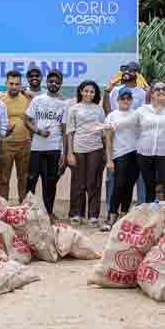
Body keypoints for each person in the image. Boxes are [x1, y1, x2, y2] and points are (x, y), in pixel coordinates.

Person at [104, 61, 148, 206]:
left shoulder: (142, 93)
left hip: (135, 144)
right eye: (125, 69)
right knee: (113, 179)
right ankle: (111, 208)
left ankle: (140, 208)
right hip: (116, 143)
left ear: (137, 73)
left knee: (134, 179)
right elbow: (109, 110)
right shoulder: (116, 90)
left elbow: (144, 116)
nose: (128, 72)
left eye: (132, 70)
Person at [25, 70, 69, 216]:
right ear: (47, 82)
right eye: (51, 81)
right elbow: (26, 120)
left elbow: (64, 131)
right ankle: (27, 212)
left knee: (50, 182)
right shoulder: (38, 99)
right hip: (37, 148)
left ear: (61, 84)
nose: (54, 84)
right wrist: (38, 131)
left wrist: (64, 153)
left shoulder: (64, 103)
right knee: (31, 180)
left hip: (54, 148)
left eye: (57, 82)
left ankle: (48, 213)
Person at [65, 81, 106, 227]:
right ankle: (76, 214)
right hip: (78, 149)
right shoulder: (73, 109)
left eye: (92, 92)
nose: (89, 94)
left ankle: (93, 215)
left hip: (96, 149)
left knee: (93, 182)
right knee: (78, 183)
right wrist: (70, 153)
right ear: (81, 91)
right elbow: (69, 132)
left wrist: (106, 152)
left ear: (95, 94)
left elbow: (103, 132)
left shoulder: (99, 110)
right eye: (86, 91)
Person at [104, 86, 140, 229]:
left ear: (131, 100)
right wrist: (109, 159)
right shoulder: (112, 116)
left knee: (129, 186)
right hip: (119, 154)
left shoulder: (137, 115)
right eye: (123, 98)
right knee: (118, 186)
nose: (126, 100)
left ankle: (124, 216)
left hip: (135, 154)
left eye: (128, 98)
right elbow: (108, 139)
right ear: (118, 100)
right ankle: (111, 217)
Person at [0, 70, 31, 200]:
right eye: (11, 83)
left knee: (23, 177)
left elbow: (32, 120)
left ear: (21, 85)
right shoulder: (0, 99)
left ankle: (23, 206)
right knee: (4, 178)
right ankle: (2, 206)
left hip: (25, 143)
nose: (14, 86)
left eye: (17, 84)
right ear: (6, 83)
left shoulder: (27, 99)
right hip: (6, 144)